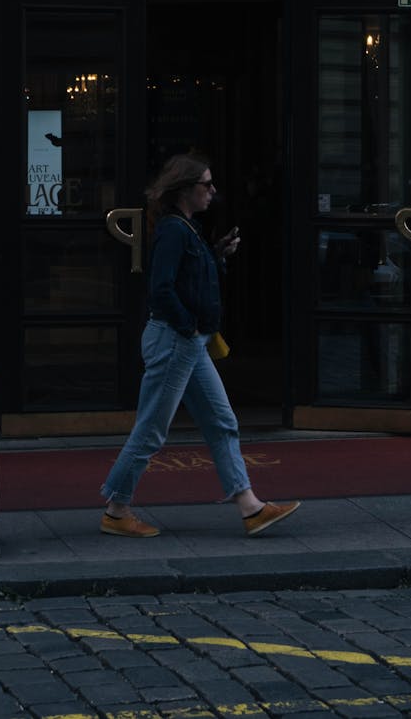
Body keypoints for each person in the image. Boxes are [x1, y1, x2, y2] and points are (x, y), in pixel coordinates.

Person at [100, 152, 300, 538]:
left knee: (222, 422)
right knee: (152, 430)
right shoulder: (174, 231)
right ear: (185, 190)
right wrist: (189, 327)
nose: (213, 191)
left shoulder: (186, 228)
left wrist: (217, 256)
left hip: (188, 343)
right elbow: (161, 289)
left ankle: (250, 506)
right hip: (176, 341)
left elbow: (187, 280)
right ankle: (116, 507)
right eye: (206, 184)